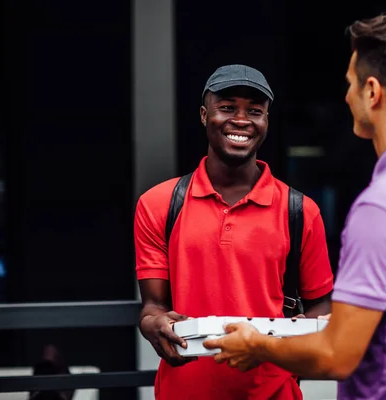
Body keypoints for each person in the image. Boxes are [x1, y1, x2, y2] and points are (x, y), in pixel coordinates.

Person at [203, 14, 386, 400]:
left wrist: (257, 345)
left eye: (350, 84)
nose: (346, 96)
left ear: (372, 92)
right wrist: (375, 332)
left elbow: (338, 356)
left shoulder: (382, 205)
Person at [134, 64, 334, 400]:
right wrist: (154, 327)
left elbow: (320, 308)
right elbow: (153, 307)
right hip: (184, 392)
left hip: (273, 393)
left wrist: (291, 348)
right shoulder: (159, 204)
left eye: (255, 111)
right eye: (227, 108)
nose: (241, 120)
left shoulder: (300, 211)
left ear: (266, 122)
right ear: (203, 115)